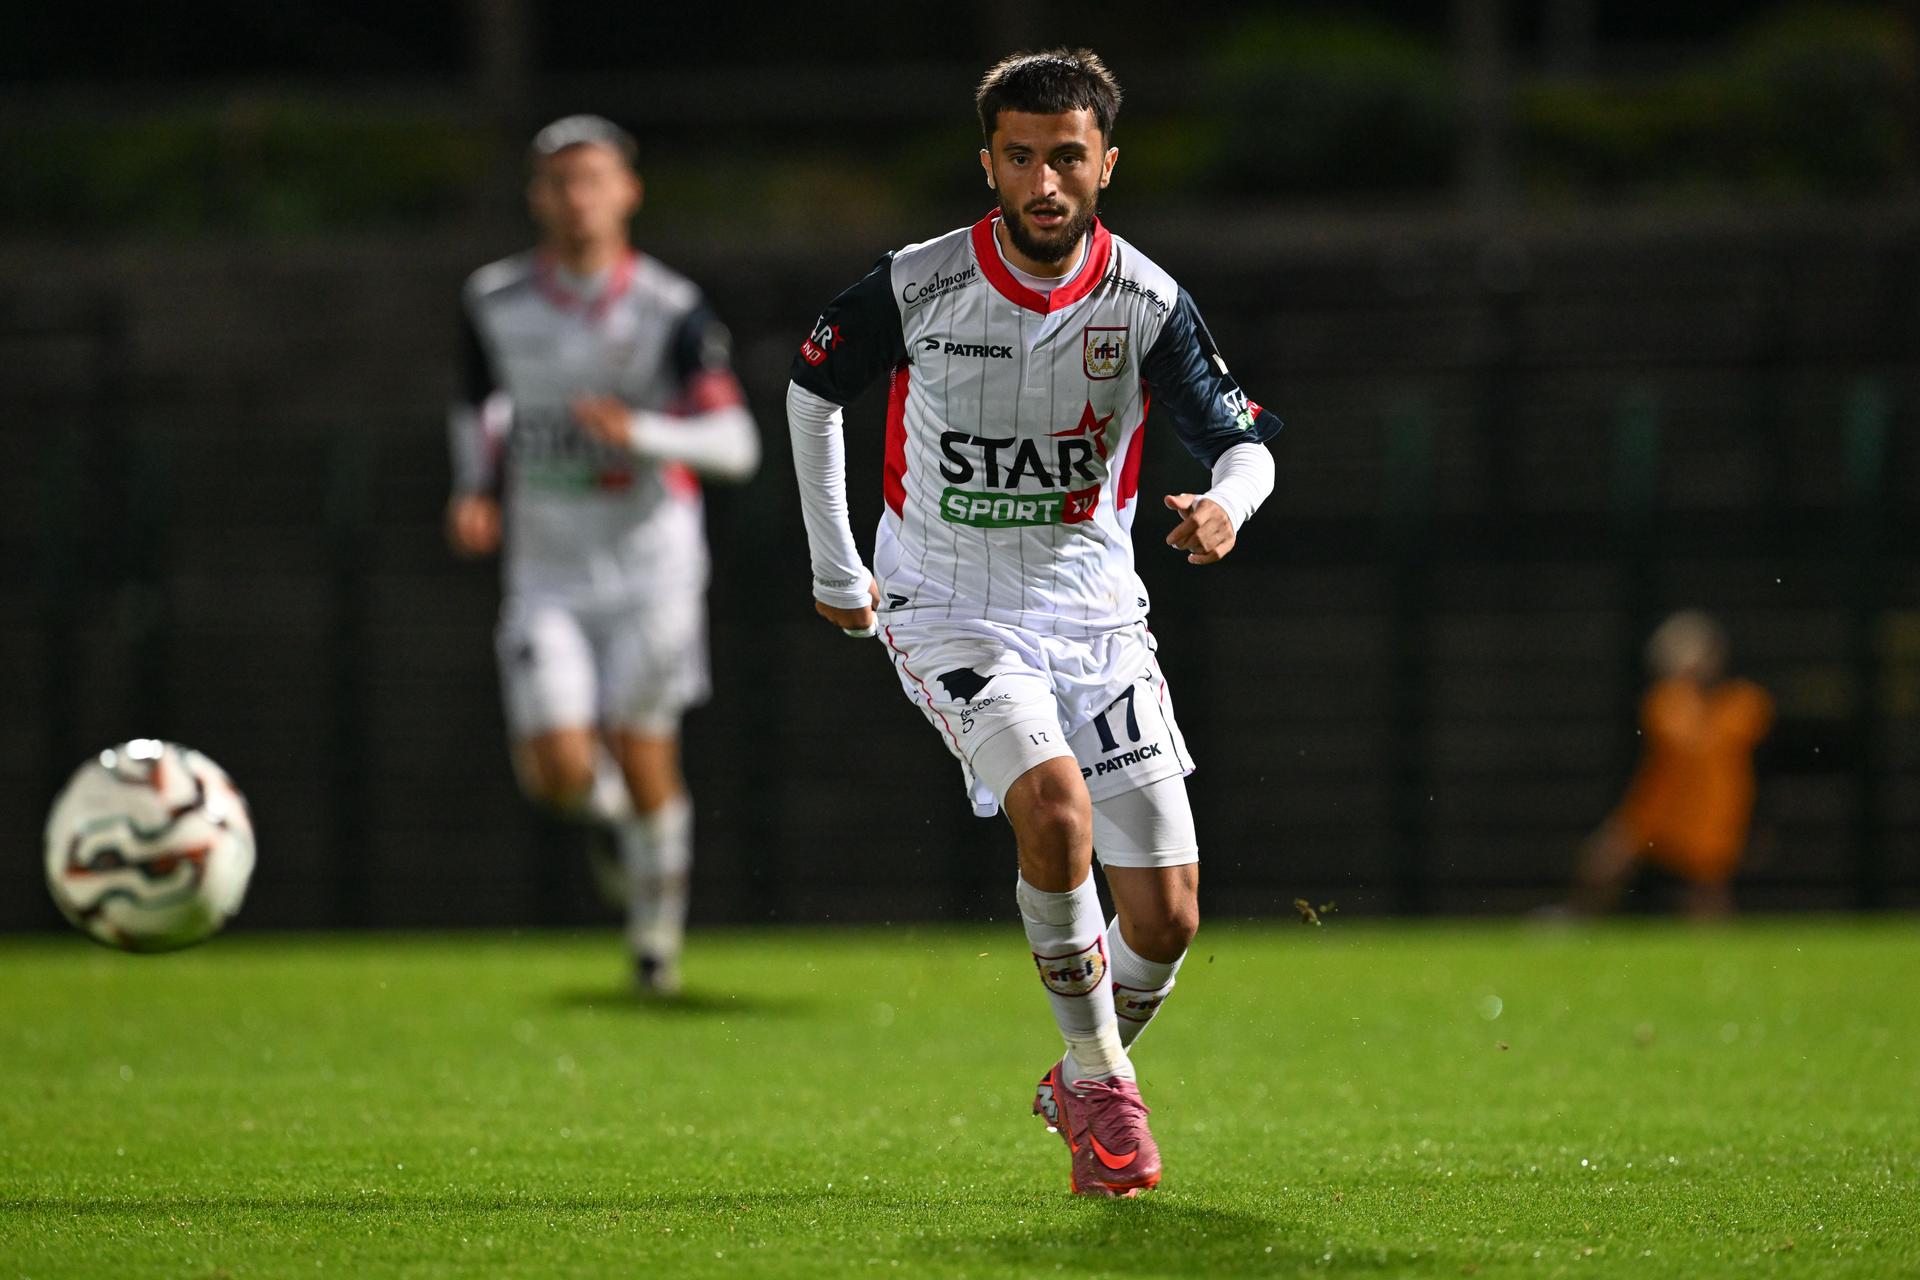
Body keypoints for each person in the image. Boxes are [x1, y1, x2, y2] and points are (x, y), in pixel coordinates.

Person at [785, 49, 1282, 1196]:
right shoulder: (919, 284)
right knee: (1051, 808)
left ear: (1107, 160)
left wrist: (1226, 506)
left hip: (1098, 616)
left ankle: (1086, 1067)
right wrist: (836, 562)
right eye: (1022, 156)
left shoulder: (1148, 301)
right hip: (948, 605)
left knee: (1166, 916)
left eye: (1068, 155)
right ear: (990, 164)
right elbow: (815, 385)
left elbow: (1246, 435)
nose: (1046, 181)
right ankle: (1102, 1082)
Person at [447, 115, 760, 994]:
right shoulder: (493, 300)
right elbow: (476, 404)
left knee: (645, 745)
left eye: (593, 179)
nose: (576, 197)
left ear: (628, 190)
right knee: (556, 771)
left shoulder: (668, 307)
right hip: (546, 569)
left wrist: (645, 433)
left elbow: (736, 443)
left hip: (651, 566)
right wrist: (473, 487)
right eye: (557, 181)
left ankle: (654, 951)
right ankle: (617, 826)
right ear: (535, 196)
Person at [1571, 610, 1773, 918]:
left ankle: (1718, 955)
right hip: (1661, 805)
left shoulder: (1743, 702)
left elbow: (1757, 762)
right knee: (1605, 862)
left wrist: (1760, 822)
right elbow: (1684, 738)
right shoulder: (1666, 701)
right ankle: (1578, 920)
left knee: (1706, 891)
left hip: (1714, 810)